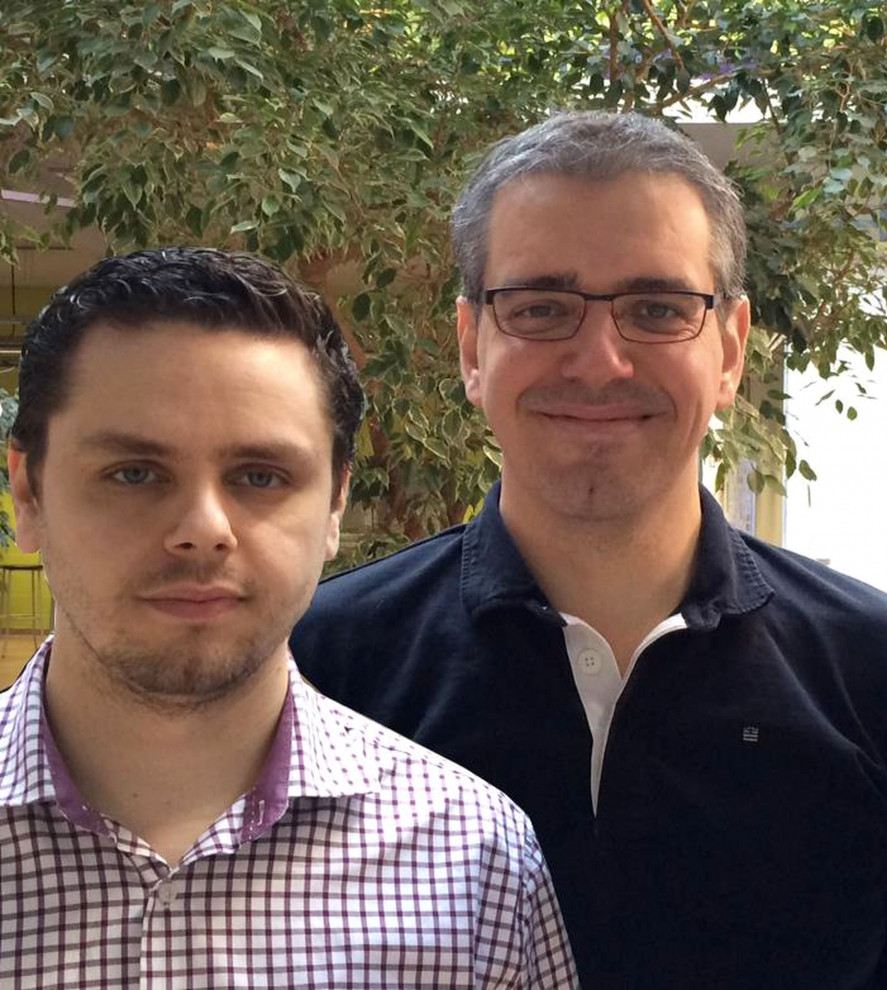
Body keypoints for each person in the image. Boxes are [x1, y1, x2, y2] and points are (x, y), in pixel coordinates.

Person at [291, 110, 887, 988]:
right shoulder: (320, 668)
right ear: (472, 348)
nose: (601, 360)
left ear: (730, 350)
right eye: (541, 307)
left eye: (657, 309)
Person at [0, 248, 577, 988]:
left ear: (334, 503)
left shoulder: (475, 866)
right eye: (135, 473)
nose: (203, 527)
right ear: (29, 494)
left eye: (260, 476)